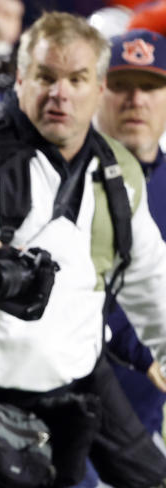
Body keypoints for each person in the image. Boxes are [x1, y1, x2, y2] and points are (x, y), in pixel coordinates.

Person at [0, 11, 166, 487]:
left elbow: (152, 283)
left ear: (98, 87)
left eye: (77, 79)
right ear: (21, 79)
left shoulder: (116, 171)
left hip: (74, 395)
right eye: (46, 76)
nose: (60, 93)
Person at [95, 29, 166, 442]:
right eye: (121, 86)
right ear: (98, 93)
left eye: (151, 87)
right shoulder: (63, 180)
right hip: (70, 411)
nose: (136, 100)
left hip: (150, 414)